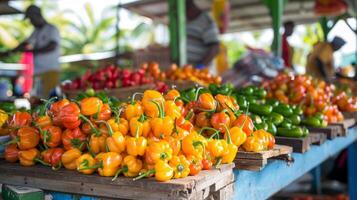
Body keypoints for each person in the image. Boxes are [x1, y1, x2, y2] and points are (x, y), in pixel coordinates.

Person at [2, 5, 61, 98]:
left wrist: (32, 51)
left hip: (50, 70)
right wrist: (8, 52)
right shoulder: (36, 31)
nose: (30, 22)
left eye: (31, 18)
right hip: (38, 71)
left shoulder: (51, 29)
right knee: (37, 99)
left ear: (37, 15)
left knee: (50, 99)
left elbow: (52, 46)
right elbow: (24, 44)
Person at [186, 0, 220, 68]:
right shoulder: (184, 21)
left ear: (191, 8)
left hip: (201, 71)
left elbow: (215, 48)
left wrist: (201, 65)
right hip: (186, 69)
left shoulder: (206, 21)